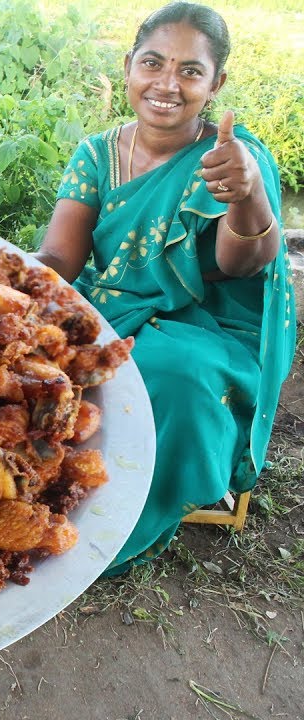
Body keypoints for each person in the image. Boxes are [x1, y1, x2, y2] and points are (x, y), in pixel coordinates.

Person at [34, 2, 294, 574]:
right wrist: (2, 273)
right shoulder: (98, 154)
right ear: (129, 66)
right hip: (115, 305)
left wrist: (246, 192)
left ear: (216, 83)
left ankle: (121, 526)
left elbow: (243, 263)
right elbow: (59, 256)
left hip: (215, 321)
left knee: (173, 374)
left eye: (191, 71)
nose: (167, 85)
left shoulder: (231, 159)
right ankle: (47, 497)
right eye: (153, 63)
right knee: (30, 358)